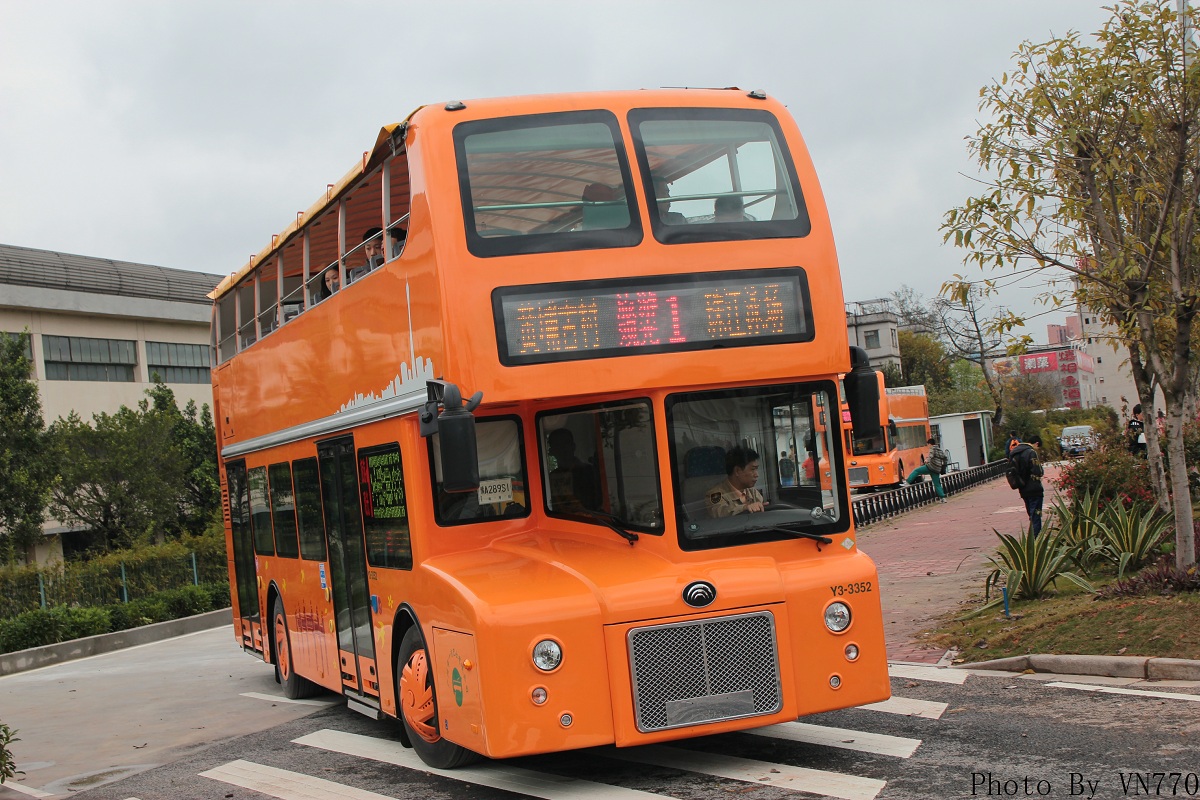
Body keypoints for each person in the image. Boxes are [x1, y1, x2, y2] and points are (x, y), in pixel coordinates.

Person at [547, 428, 600, 511]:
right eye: (558, 445)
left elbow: (597, 504)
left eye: (566, 444)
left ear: (573, 446)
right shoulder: (550, 478)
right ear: (551, 451)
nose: (563, 449)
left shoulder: (589, 472)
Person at [706, 445, 766, 517]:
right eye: (753, 469)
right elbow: (721, 513)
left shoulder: (752, 492)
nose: (757, 475)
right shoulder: (715, 494)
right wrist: (745, 508)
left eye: (756, 469)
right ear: (737, 471)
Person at [1008, 434, 1045, 534]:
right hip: (1034, 488)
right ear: (1036, 443)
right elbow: (1037, 471)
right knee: (1036, 516)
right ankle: (1036, 538)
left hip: (1022, 488)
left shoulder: (1015, 452)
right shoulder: (1031, 452)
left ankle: (1032, 537)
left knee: (1031, 515)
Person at [903, 437, 948, 503]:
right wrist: (943, 466)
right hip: (937, 469)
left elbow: (931, 456)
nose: (928, 446)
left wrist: (927, 460)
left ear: (930, 444)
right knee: (937, 484)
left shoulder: (932, 449)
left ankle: (908, 482)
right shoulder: (939, 450)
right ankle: (943, 498)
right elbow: (945, 458)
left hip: (930, 467)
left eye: (928, 444)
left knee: (916, 470)